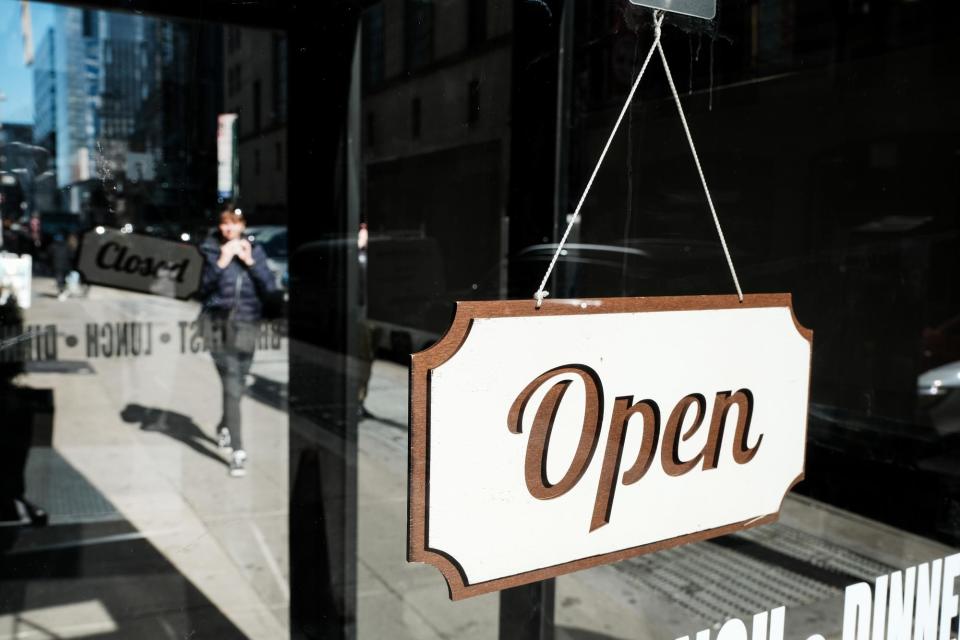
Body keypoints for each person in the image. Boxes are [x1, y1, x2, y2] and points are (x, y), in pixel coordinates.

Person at [199, 204, 277, 477]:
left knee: (238, 384)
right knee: (233, 383)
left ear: (243, 226)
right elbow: (200, 289)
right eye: (224, 223)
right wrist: (220, 262)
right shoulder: (209, 250)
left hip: (247, 327)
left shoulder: (255, 251)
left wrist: (251, 263)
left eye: (234, 223)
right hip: (217, 328)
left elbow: (270, 289)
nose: (228, 228)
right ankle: (238, 451)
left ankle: (224, 426)